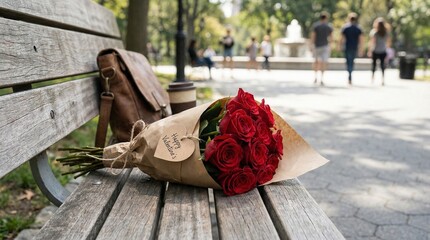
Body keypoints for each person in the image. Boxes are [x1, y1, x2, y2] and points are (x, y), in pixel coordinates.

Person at [339, 12, 364, 85]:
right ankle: (350, 74)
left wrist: (340, 46)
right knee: (352, 61)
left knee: (348, 61)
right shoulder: (358, 28)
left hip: (347, 46)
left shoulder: (345, 27)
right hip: (354, 47)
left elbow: (341, 38)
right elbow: (361, 39)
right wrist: (361, 48)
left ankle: (349, 74)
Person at [310, 12, 333, 86]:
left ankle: (315, 76)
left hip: (317, 46)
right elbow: (331, 37)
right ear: (326, 18)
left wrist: (312, 45)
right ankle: (322, 78)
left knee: (316, 62)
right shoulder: (328, 26)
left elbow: (313, 36)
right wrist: (331, 45)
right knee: (324, 62)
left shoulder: (316, 26)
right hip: (325, 46)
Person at [367, 17, 390, 86]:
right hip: (383, 50)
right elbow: (388, 42)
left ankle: (373, 77)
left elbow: (372, 42)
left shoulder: (374, 32)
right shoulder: (386, 33)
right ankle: (383, 79)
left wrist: (370, 50)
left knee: (374, 65)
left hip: (376, 50)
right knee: (383, 65)